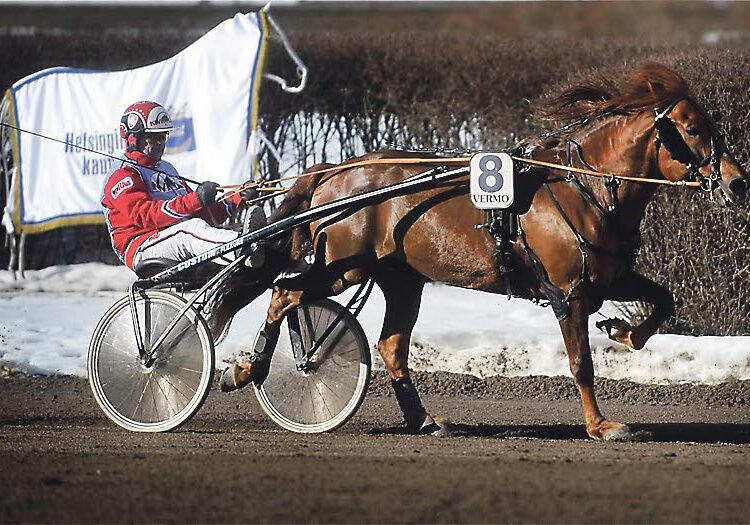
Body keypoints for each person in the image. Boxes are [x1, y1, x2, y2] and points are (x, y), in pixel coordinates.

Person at [101, 101, 265, 272]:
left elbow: (202, 216)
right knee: (189, 230)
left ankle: (256, 243)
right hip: (141, 245)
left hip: (172, 237)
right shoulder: (123, 174)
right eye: (153, 137)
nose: (159, 143)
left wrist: (236, 197)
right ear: (134, 138)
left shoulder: (167, 169)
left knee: (198, 227)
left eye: (163, 136)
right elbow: (146, 215)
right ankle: (244, 247)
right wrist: (196, 199)